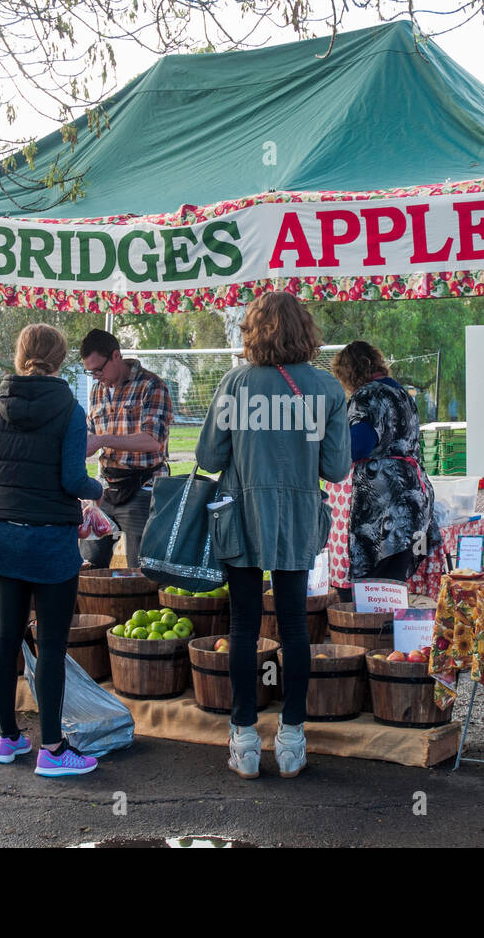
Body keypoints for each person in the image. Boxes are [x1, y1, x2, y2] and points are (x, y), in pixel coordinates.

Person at [196, 292, 348, 779]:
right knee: (295, 627)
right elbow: (337, 467)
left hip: (241, 517)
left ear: (252, 332)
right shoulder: (326, 388)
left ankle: (243, 738)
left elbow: (209, 457)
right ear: (305, 331)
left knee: (243, 626)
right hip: (298, 517)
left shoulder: (234, 383)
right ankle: (292, 737)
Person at [0, 324, 104, 777]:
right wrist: (96, 488)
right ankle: (53, 747)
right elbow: (72, 479)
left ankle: (8, 738)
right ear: (61, 358)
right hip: (50, 540)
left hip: (5, 535)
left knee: (7, 635)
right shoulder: (69, 407)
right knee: (50, 643)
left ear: (19, 353)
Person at [330, 341, 439, 583]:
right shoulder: (400, 393)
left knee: (378, 587)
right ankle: (394, 619)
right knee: (397, 580)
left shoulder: (369, 395)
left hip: (386, 510)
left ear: (350, 372)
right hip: (415, 499)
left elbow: (357, 446)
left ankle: (381, 621)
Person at [78, 328, 173, 568]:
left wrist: (102, 440)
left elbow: (153, 439)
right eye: (90, 371)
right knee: (89, 563)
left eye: (99, 369)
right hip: (104, 490)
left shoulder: (151, 386)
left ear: (116, 356)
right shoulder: (97, 390)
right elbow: (91, 431)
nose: (96, 376)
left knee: (140, 569)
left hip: (143, 488)